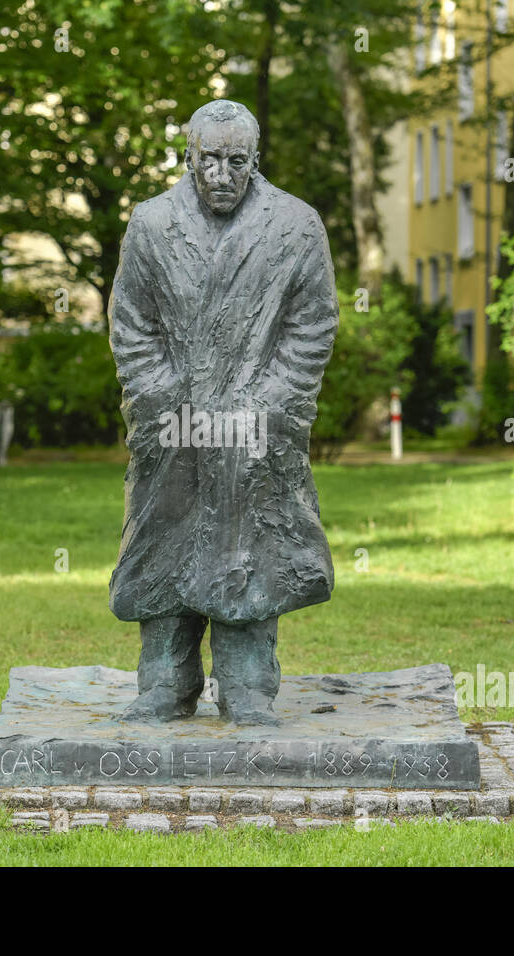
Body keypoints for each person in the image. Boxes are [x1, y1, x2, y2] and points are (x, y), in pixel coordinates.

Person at [108, 100, 338, 726]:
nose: (221, 174)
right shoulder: (151, 225)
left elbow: (312, 324)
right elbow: (132, 323)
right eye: (209, 160)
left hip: (256, 429)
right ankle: (164, 682)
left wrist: (269, 405)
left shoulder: (295, 225)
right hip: (173, 427)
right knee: (163, 546)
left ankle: (248, 685)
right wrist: (160, 400)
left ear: (254, 160)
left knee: (250, 551)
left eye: (236, 162)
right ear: (189, 156)